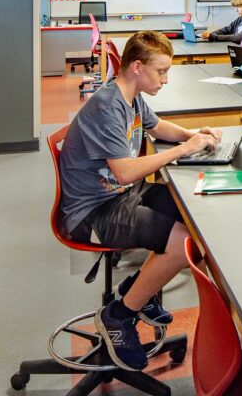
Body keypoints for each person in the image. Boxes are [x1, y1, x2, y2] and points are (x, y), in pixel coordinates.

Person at [56, 30, 223, 371]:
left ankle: (139, 288)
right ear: (136, 67)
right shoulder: (107, 106)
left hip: (118, 196)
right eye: (161, 71)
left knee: (194, 211)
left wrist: (194, 135)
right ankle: (119, 315)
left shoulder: (129, 97)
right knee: (183, 242)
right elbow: (125, 173)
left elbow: (156, 126)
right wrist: (183, 150)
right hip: (93, 212)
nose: (165, 79)